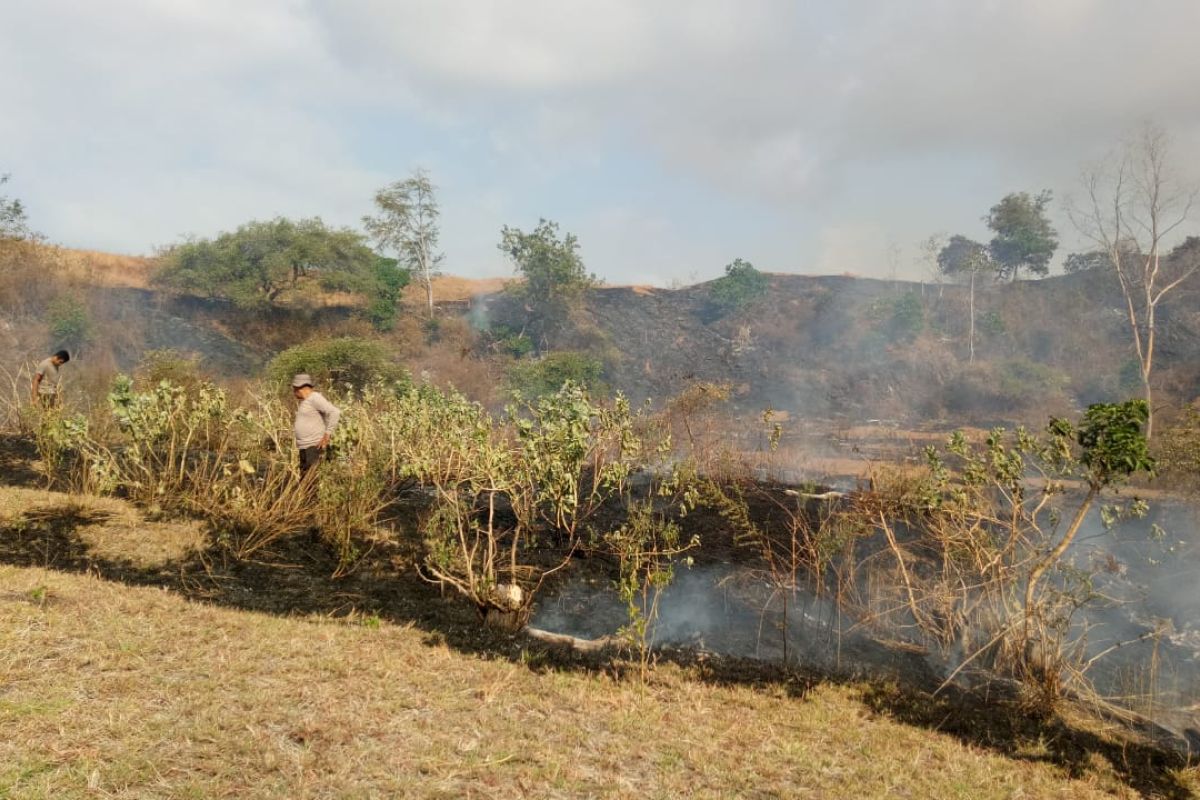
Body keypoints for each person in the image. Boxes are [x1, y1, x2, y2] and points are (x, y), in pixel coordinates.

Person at [291, 373, 340, 477]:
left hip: (313, 446)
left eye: (294, 389)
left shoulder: (315, 398)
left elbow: (335, 412)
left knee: (310, 480)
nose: (293, 392)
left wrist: (327, 435)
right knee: (305, 479)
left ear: (300, 388)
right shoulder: (306, 401)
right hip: (305, 446)